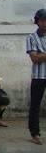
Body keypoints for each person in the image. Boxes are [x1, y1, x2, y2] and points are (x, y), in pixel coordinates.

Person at [26, 9, 46, 145]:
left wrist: (41, 55)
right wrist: (39, 56)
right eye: (42, 20)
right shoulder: (32, 37)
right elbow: (34, 58)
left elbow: (39, 56)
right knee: (35, 105)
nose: (45, 23)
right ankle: (35, 133)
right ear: (37, 22)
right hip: (39, 76)